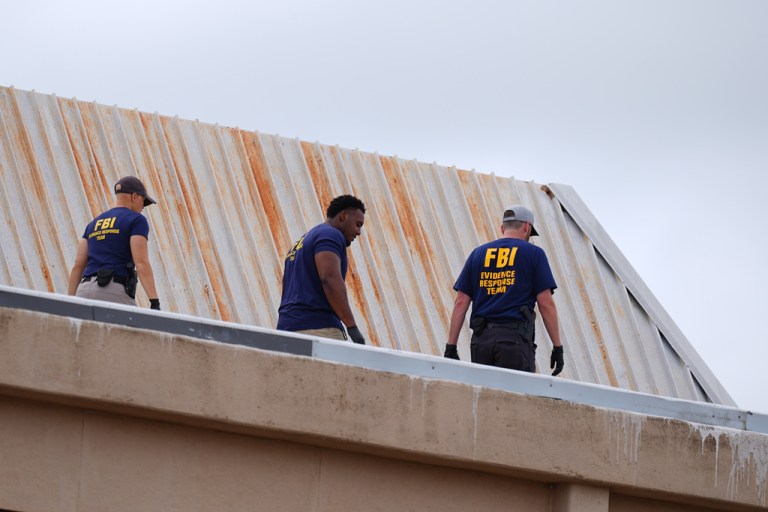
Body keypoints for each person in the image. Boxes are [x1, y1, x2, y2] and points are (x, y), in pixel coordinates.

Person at [444, 205, 564, 376]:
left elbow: (461, 302)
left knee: (484, 398)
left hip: (481, 343)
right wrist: (557, 347)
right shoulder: (534, 254)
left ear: (502, 228)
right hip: (514, 344)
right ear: (526, 227)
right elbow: (546, 304)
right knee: (514, 400)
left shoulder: (477, 254)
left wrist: (451, 347)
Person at [277, 195, 367, 344]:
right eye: (358, 224)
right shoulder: (330, 234)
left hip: (287, 330)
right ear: (343, 216)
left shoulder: (300, 244)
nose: (358, 232)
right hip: (319, 329)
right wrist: (352, 327)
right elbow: (329, 278)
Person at [67, 175, 161, 310]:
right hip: (112, 291)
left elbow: (78, 266)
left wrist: (70, 301)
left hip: (83, 291)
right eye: (143, 201)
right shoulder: (137, 220)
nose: (143, 207)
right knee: (136, 330)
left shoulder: (94, 223)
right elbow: (141, 263)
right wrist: (154, 302)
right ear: (134, 197)